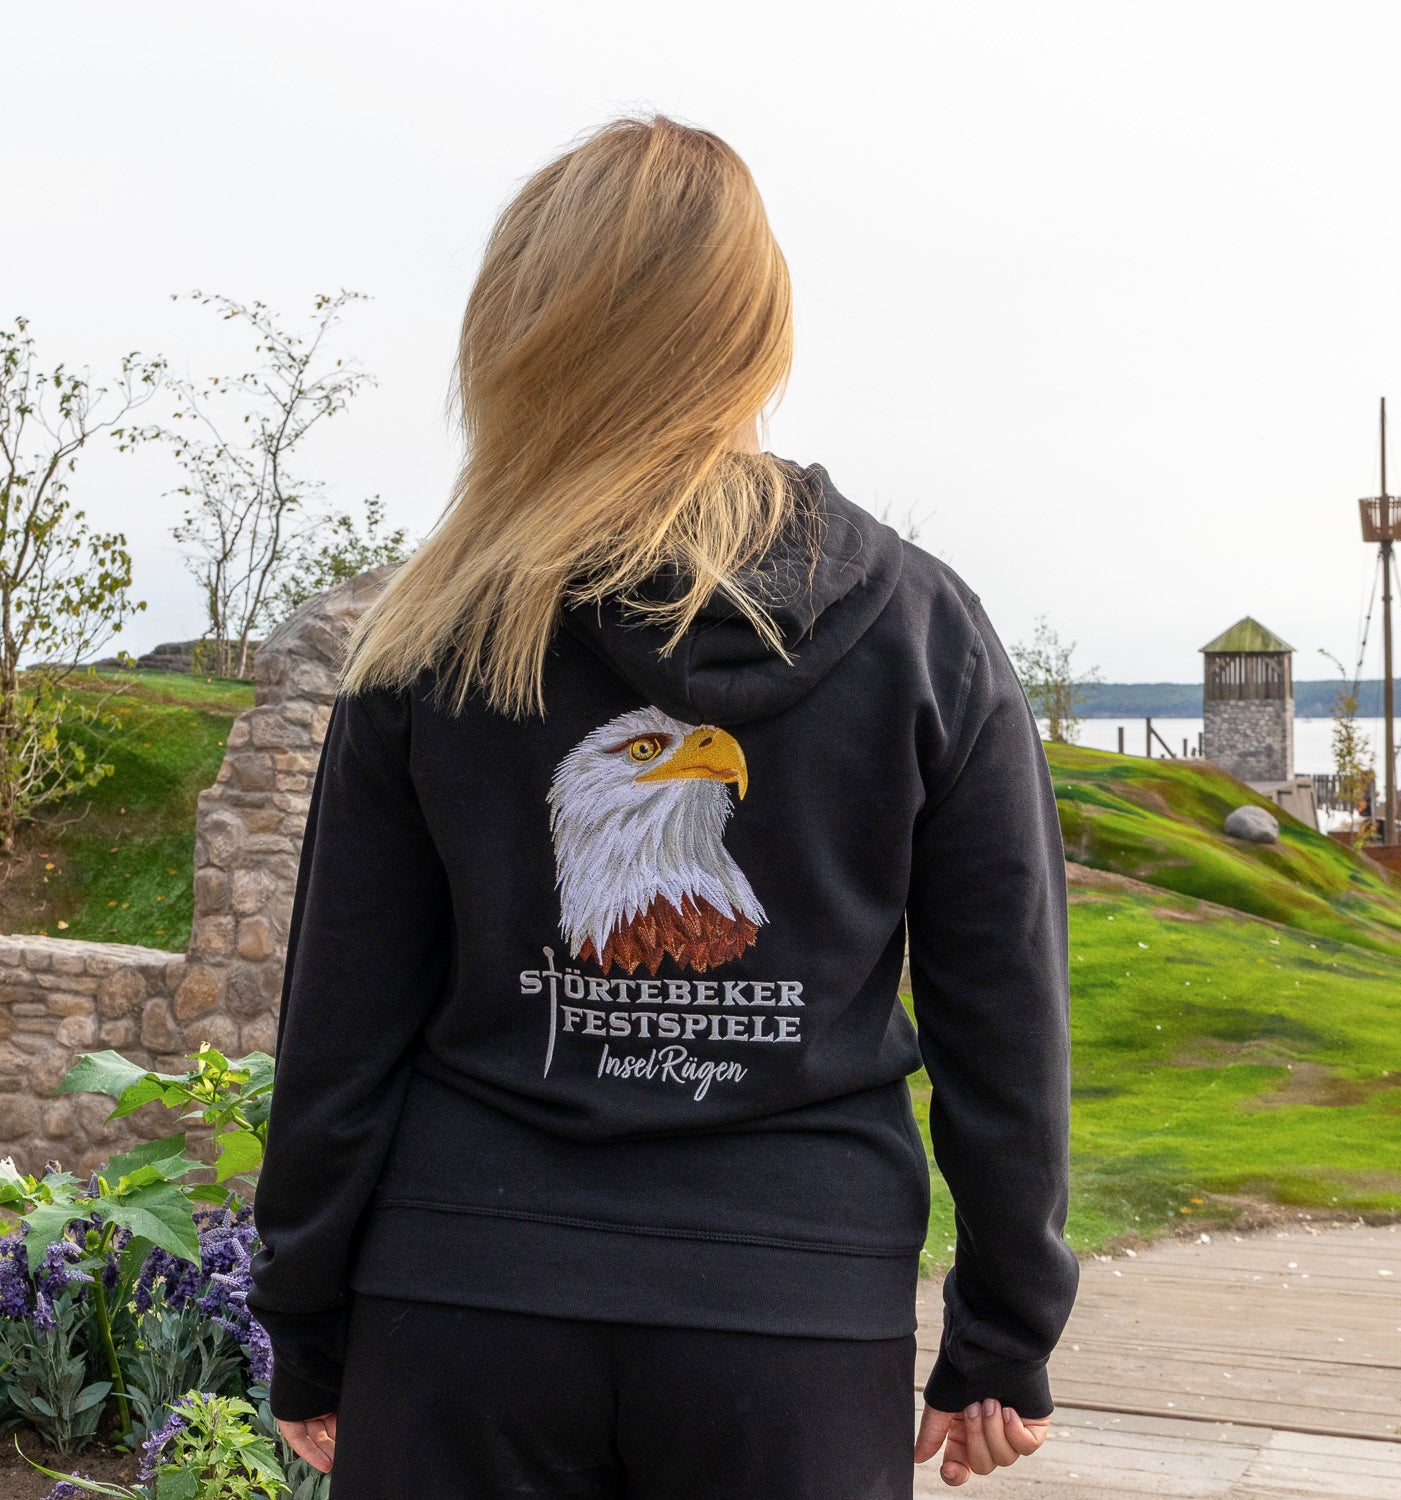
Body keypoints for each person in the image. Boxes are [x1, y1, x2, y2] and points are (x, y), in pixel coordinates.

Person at [245, 112, 1079, 1498]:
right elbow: (1004, 1016)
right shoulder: (923, 632)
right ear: (759, 331)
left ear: (519, 330)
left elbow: (342, 1021)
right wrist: (1005, 1327)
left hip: (466, 1299)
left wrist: (310, 1320)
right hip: (791, 1313)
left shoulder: (433, 639)